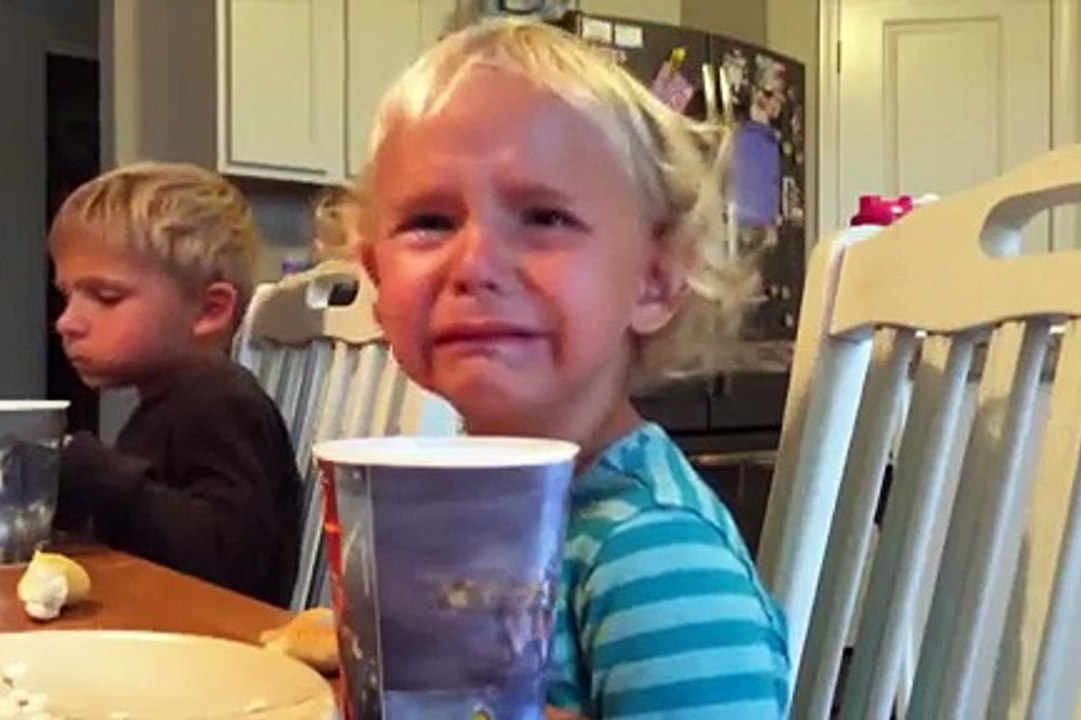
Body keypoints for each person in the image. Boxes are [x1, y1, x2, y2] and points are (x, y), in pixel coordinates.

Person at [330, 19, 789, 718]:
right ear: (378, 280)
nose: (474, 264)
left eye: (544, 217)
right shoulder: (454, 513)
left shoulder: (654, 555)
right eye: (429, 222)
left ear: (655, 281)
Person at [48, 161, 301, 606]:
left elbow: (229, 560)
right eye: (68, 296)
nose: (67, 322)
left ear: (209, 310)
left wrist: (93, 471)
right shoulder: (167, 404)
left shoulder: (221, 403)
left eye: (105, 297)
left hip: (219, 641)